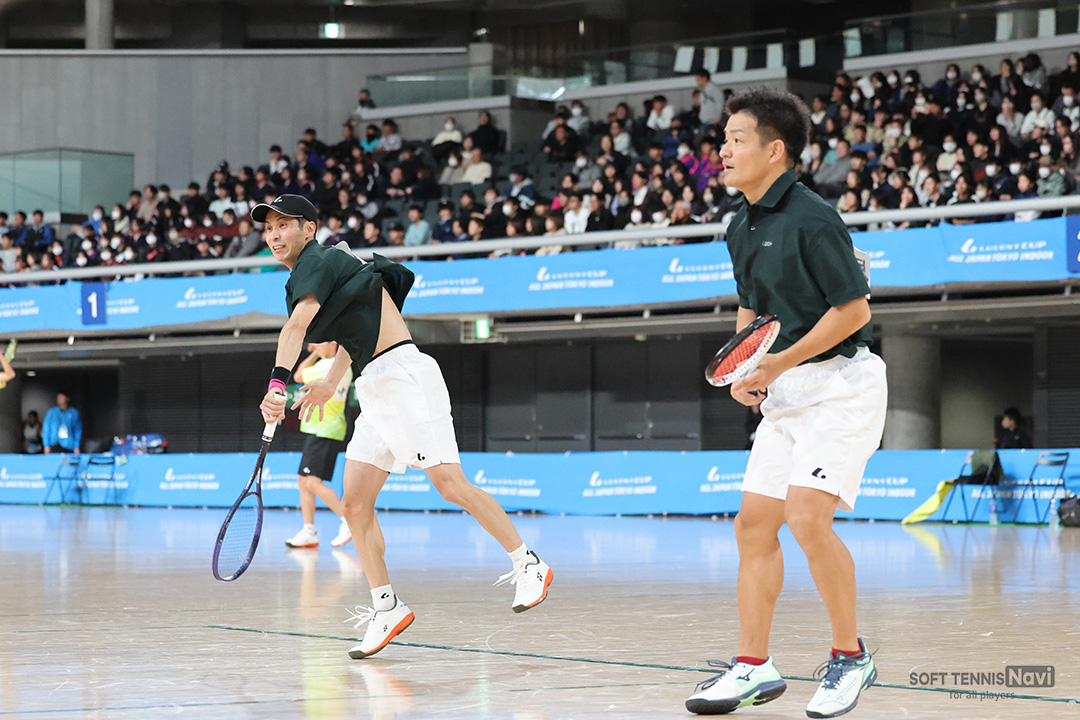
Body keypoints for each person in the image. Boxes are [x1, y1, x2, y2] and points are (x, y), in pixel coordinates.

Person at [253, 195, 553, 659]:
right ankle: (386, 607)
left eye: (283, 225)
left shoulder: (318, 260)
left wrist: (277, 385)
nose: (274, 235)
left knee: (450, 485)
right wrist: (330, 382)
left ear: (308, 229)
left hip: (405, 376)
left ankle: (528, 562)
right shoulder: (325, 269)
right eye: (268, 228)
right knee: (355, 504)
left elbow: (294, 329)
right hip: (373, 385)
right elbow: (354, 330)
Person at [685, 88, 886, 719]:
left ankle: (851, 657)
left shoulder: (813, 218)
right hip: (786, 387)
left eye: (736, 139)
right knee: (752, 525)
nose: (723, 150)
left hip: (841, 385)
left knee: (806, 518)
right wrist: (749, 367)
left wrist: (780, 361)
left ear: (775, 151)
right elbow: (753, 311)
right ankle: (753, 667)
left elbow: (854, 311)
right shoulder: (738, 224)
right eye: (724, 139)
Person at [284, 341, 355, 550]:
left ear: (333, 344)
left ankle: (348, 520)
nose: (315, 346)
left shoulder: (328, 366)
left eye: (319, 343)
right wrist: (317, 351)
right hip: (322, 430)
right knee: (303, 480)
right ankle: (309, 531)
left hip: (325, 430)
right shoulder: (342, 367)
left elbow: (298, 376)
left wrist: (314, 353)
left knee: (312, 482)